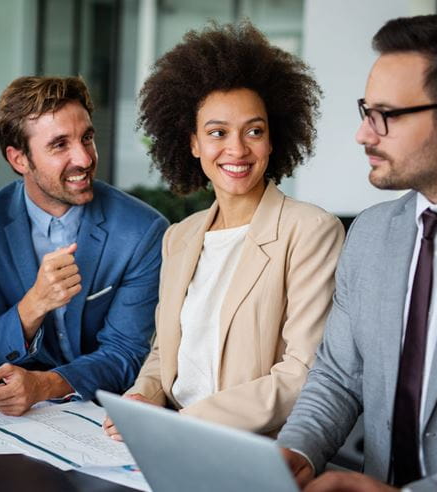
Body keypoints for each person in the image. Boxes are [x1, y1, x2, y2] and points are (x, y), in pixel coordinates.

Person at [278, 14, 437, 491]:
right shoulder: (371, 234)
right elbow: (337, 375)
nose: (364, 134)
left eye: (387, 116)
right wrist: (297, 450)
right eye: (365, 111)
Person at [102, 22, 344, 440]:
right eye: (217, 133)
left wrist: (182, 425)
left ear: (272, 141)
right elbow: (166, 353)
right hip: (170, 436)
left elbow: (300, 375)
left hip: (251, 446)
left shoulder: (311, 231)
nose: (237, 149)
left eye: (254, 131)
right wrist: (143, 397)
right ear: (193, 143)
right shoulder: (180, 236)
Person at [0, 76, 168, 416]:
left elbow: (125, 354)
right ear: (19, 159)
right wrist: (34, 305)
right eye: (60, 145)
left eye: (87, 138)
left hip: (105, 415)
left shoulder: (142, 231)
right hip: (10, 417)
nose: (84, 159)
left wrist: (44, 385)